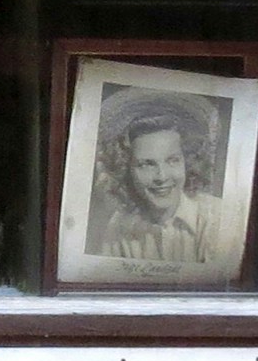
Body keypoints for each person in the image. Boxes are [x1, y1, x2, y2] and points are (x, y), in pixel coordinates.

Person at [92, 92, 216, 266]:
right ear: (126, 169)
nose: (161, 177)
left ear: (187, 162)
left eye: (172, 160)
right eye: (147, 164)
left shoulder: (215, 219)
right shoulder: (119, 225)